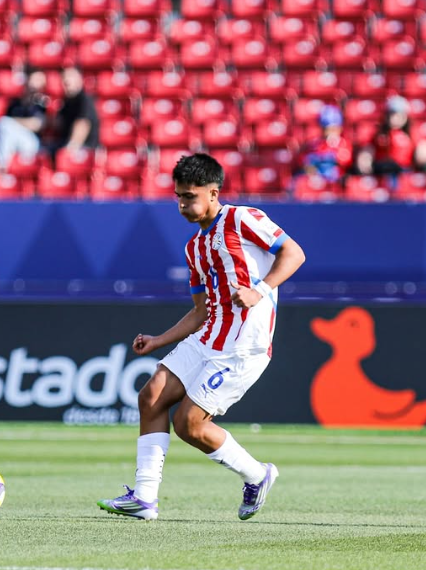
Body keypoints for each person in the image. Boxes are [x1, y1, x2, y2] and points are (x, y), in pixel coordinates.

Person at [97, 153, 306, 522]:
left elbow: (294, 253)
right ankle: (144, 499)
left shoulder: (243, 219)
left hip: (244, 347)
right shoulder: (194, 248)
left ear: (213, 193)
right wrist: (159, 340)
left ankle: (257, 475)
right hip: (209, 337)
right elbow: (200, 310)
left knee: (189, 425)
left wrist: (260, 288)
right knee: (151, 396)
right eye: (178, 196)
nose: (182, 204)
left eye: (189, 196)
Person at [0, 69, 49, 171]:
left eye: (40, 80)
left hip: (32, 143)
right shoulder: (15, 102)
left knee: (3, 122)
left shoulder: (41, 101)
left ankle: (3, 166)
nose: (36, 83)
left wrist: (14, 122)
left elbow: (37, 124)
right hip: (13, 140)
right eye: (35, 79)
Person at [353, 95, 426, 177]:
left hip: (404, 172)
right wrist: (365, 162)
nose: (394, 118)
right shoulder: (377, 133)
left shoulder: (413, 134)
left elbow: (421, 154)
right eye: (391, 114)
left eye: (399, 115)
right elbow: (367, 152)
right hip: (381, 171)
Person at [48, 65, 99, 164]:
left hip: (85, 148)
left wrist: (70, 148)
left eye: (70, 77)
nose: (66, 81)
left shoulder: (84, 99)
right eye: (64, 78)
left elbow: (82, 125)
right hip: (64, 143)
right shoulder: (66, 102)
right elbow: (58, 123)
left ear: (79, 79)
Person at [295, 104, 352, 182]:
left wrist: (331, 151)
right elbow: (303, 161)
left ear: (340, 129)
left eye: (333, 129)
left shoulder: (344, 144)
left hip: (336, 182)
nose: (329, 133)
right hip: (315, 180)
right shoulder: (314, 144)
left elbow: (345, 161)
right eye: (326, 129)